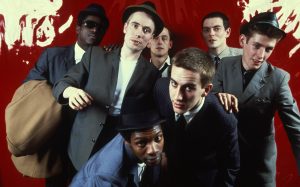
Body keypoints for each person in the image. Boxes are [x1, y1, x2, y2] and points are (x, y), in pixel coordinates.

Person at [52, 1, 164, 174]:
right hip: (82, 142)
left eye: (146, 30)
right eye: (135, 25)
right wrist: (71, 92)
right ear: (125, 27)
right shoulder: (95, 55)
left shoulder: (152, 74)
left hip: (121, 141)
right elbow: (63, 83)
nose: (139, 33)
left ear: (150, 39)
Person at [24, 3, 109, 187]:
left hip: (90, 148)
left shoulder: (109, 61)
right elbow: (30, 88)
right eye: (89, 24)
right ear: (78, 27)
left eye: (100, 28)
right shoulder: (51, 56)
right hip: (55, 142)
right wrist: (63, 94)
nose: (95, 30)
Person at [212, 12, 300, 187]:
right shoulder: (224, 65)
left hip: (258, 168)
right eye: (256, 46)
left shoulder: (279, 78)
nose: (261, 55)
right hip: (225, 162)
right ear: (243, 41)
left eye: (268, 49)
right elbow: (207, 104)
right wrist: (216, 98)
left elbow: (296, 130)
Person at [153, 48, 240, 187]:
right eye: (174, 83)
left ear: (206, 90)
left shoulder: (224, 120)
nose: (177, 97)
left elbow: (230, 168)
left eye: (188, 88)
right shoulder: (161, 89)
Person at [70, 106, 166, 187]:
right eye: (142, 143)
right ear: (127, 141)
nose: (153, 150)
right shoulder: (108, 178)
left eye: (157, 138)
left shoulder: (135, 133)